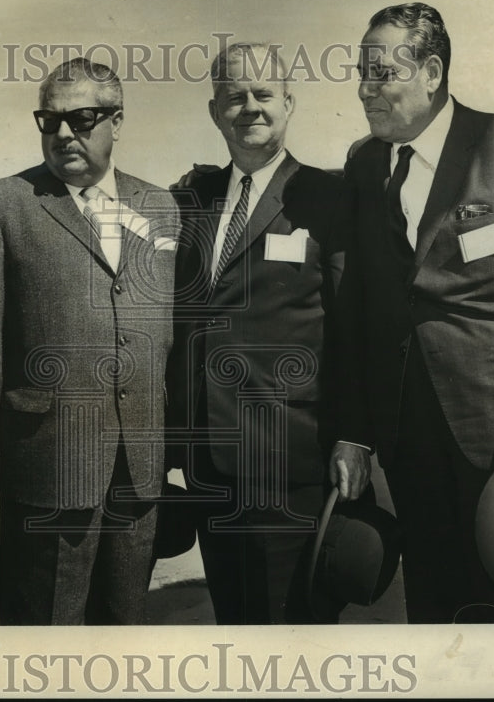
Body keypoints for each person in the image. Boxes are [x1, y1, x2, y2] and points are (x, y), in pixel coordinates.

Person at [329, 2, 494, 623]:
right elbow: (356, 308)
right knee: (431, 600)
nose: (365, 89)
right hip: (404, 432)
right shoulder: (364, 165)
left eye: (380, 73)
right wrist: (357, 428)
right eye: (360, 73)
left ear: (432, 70)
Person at [0, 58, 178, 625]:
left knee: (124, 626)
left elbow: (166, 333)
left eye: (81, 119)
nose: (62, 134)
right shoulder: (2, 205)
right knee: (45, 633)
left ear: (117, 120)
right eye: (49, 120)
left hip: (139, 463)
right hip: (49, 459)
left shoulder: (160, 207)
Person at [167, 43, 346, 624]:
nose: (250, 107)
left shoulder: (328, 198)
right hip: (210, 466)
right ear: (215, 110)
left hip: (290, 458)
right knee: (236, 628)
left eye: (264, 94)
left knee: (293, 633)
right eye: (234, 96)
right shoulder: (189, 200)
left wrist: (356, 438)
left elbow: (354, 330)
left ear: (288, 103)